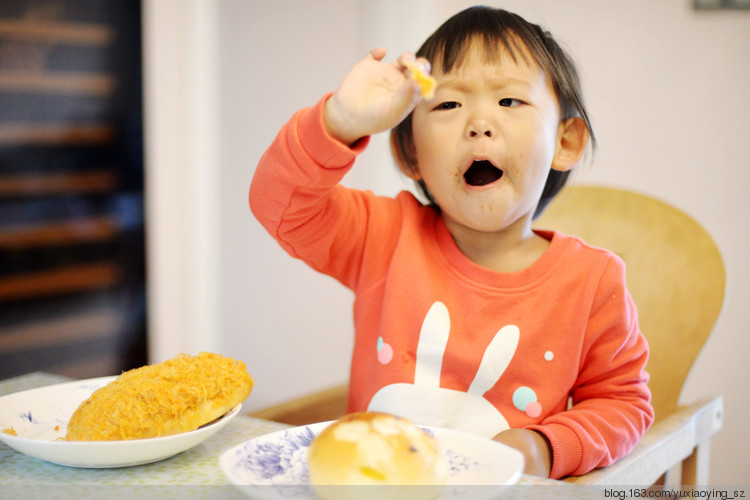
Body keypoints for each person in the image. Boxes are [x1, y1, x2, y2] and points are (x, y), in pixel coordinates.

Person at [250, 6, 653, 479]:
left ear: (565, 141)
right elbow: (279, 204)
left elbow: (622, 403)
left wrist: (546, 446)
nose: (479, 124)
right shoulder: (383, 237)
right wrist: (339, 120)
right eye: (447, 105)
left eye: (509, 102)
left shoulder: (592, 281)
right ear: (408, 152)